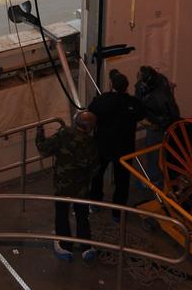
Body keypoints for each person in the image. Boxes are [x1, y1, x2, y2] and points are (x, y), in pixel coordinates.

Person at [36, 110, 99, 262]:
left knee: (62, 213)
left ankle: (64, 246)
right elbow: (96, 168)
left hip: (62, 185)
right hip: (82, 186)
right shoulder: (91, 143)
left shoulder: (64, 134)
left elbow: (43, 149)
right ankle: (86, 247)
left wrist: (39, 133)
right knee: (82, 214)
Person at [88, 70, 143, 213]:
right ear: (127, 87)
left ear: (111, 85)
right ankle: (118, 212)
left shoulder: (102, 100)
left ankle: (95, 202)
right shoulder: (133, 103)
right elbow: (141, 114)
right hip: (125, 147)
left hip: (103, 146)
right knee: (122, 180)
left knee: (97, 175)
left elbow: (91, 111)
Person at [134, 65, 180, 188]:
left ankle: (154, 179)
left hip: (159, 126)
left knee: (153, 151)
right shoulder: (161, 79)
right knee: (161, 151)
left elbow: (166, 115)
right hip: (163, 122)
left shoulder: (157, 99)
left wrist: (152, 123)